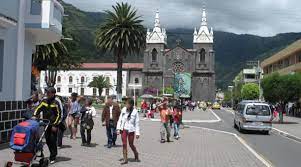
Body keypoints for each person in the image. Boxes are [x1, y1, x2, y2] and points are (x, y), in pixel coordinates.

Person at [32, 87, 62, 164]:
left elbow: (59, 115)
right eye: (46, 92)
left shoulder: (56, 102)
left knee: (52, 140)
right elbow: (38, 108)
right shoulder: (44, 100)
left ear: (53, 93)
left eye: (48, 93)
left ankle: (53, 156)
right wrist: (35, 115)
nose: (47, 94)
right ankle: (50, 154)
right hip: (46, 123)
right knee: (48, 140)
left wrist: (55, 125)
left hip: (53, 124)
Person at [117, 98, 140, 164]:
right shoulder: (123, 110)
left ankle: (136, 153)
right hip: (124, 129)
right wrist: (118, 129)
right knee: (124, 144)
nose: (126, 105)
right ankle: (125, 159)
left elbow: (137, 123)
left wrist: (137, 133)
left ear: (131, 104)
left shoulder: (135, 112)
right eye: (125, 103)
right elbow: (120, 119)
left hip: (131, 130)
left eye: (127, 104)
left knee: (131, 144)